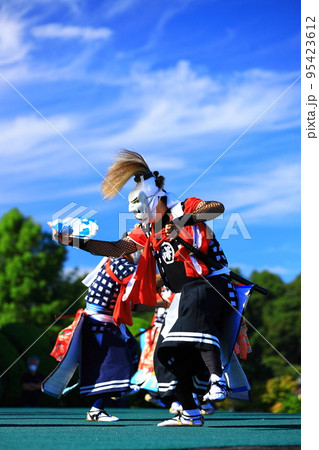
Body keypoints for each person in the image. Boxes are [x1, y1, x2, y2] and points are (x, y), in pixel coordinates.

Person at [54, 150, 239, 427]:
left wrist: (182, 222)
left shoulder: (184, 207)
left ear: (158, 200)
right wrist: (77, 242)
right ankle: (189, 412)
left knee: (191, 319)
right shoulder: (148, 229)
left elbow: (217, 207)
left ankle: (217, 379)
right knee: (164, 355)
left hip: (211, 284)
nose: (141, 217)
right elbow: (117, 249)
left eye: (144, 209)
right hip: (184, 294)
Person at [43, 253, 140, 422]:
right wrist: (176, 277)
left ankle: (118, 389)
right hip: (100, 323)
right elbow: (147, 282)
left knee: (131, 350)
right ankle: (98, 408)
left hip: (107, 322)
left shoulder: (113, 262)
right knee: (111, 363)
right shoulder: (120, 264)